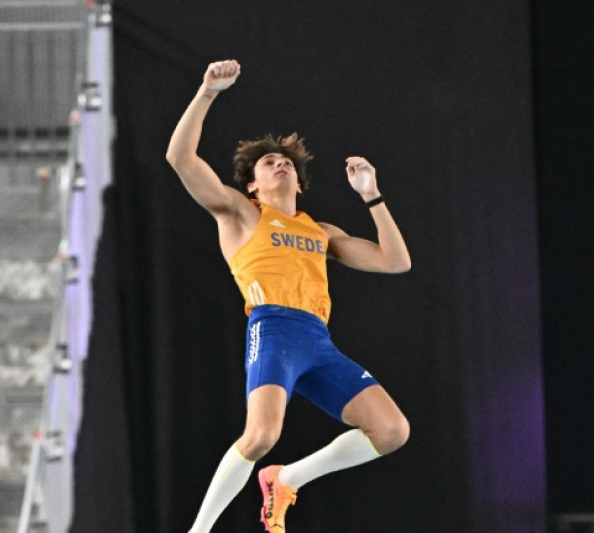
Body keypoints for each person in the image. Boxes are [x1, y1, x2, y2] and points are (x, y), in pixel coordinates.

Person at [166, 59, 411, 532]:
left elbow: (396, 261)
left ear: (299, 183)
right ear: (253, 183)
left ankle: (287, 479)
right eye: (269, 162)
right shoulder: (239, 212)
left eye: (288, 165)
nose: (281, 165)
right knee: (260, 435)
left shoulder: (321, 231)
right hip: (273, 328)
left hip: (318, 342)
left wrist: (372, 196)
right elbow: (180, 158)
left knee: (392, 430)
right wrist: (207, 93)